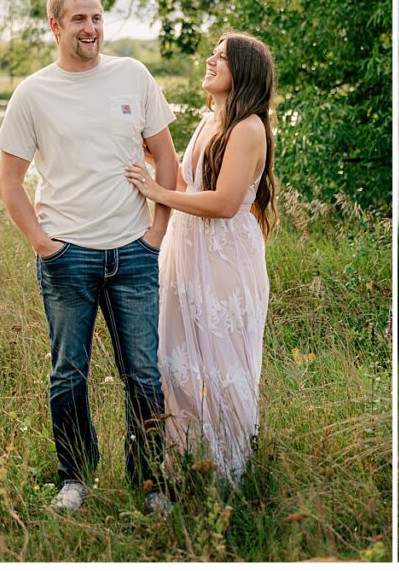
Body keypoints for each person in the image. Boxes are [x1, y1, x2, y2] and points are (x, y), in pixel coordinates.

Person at [0, 0, 179, 517]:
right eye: (79, 20)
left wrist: (157, 233)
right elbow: (9, 183)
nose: (91, 29)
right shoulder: (33, 93)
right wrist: (45, 245)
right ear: (55, 26)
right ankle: (74, 478)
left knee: (143, 373)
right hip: (68, 257)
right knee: (67, 374)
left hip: (133, 253)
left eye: (97, 18)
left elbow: (167, 163)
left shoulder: (133, 76)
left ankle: (149, 482)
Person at [125, 30, 276, 483]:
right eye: (212, 54)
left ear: (243, 72)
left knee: (222, 361)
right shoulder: (210, 119)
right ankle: (186, 465)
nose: (210, 62)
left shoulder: (249, 128)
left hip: (225, 257)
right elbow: (194, 186)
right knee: (181, 362)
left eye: (222, 58)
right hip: (187, 253)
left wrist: (158, 192)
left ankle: (228, 475)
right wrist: (147, 158)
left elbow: (225, 203)